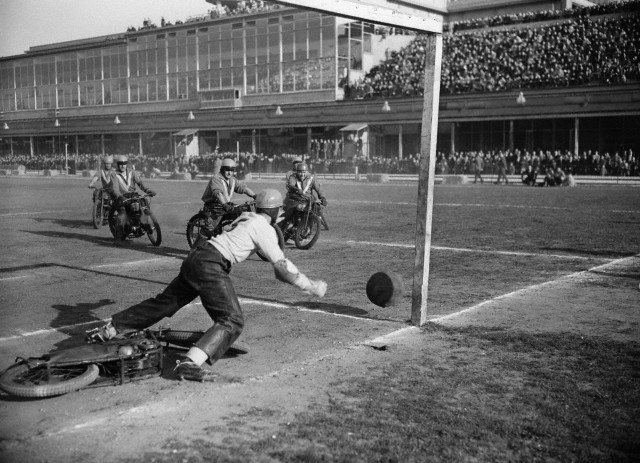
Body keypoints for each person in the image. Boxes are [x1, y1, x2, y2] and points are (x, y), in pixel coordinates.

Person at [87, 189, 327, 381]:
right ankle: (189, 363)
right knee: (231, 320)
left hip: (197, 256)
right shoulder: (262, 227)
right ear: (275, 211)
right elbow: (282, 269)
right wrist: (311, 285)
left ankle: (110, 329)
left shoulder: (247, 218)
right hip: (212, 264)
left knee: (164, 303)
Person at [200, 158, 256, 234]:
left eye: (232, 170)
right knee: (209, 228)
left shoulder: (232, 180)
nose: (229, 173)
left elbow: (243, 188)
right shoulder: (216, 179)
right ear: (222, 170)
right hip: (213, 205)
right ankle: (199, 244)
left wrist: (254, 195)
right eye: (227, 170)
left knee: (241, 212)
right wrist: (224, 205)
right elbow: (218, 194)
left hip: (224, 205)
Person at [111, 155, 157, 239]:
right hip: (121, 197)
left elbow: (140, 183)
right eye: (120, 163)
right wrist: (120, 197)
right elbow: (115, 189)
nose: (122, 165)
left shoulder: (132, 172)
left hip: (132, 194)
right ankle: (120, 233)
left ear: (127, 164)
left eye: (124, 163)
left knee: (144, 203)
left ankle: (147, 223)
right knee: (122, 214)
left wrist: (148, 190)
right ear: (117, 164)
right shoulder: (114, 174)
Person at [281, 162, 327, 229]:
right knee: (289, 213)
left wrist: (323, 198)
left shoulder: (311, 179)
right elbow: (291, 185)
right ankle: (284, 226)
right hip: (295, 199)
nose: (302, 174)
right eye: (300, 172)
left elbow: (319, 188)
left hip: (307, 199)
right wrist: (297, 190)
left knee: (316, 209)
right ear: (297, 172)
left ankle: (309, 225)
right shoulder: (293, 176)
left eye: (304, 172)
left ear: (307, 172)